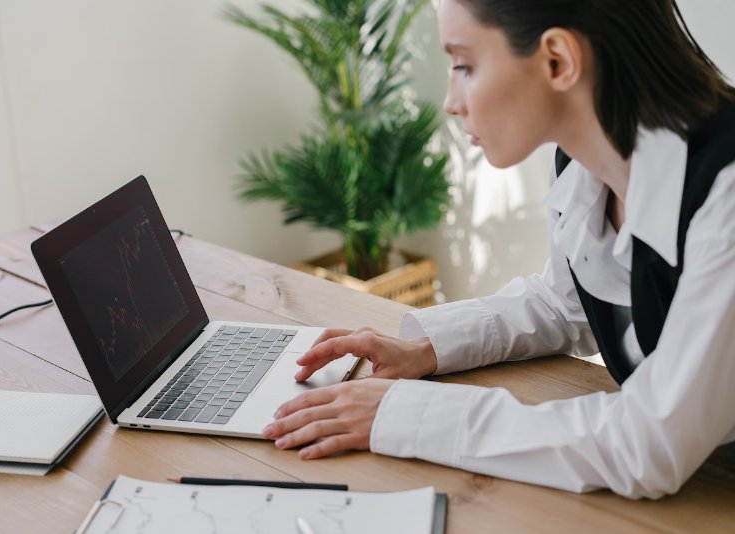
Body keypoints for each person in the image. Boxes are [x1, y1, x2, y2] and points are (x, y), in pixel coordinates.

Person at [261, 0, 735, 499]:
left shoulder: (724, 193)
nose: (450, 100)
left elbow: (647, 445)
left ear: (557, 60)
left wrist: (403, 413)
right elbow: (565, 304)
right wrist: (426, 349)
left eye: (464, 65)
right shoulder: (583, 162)